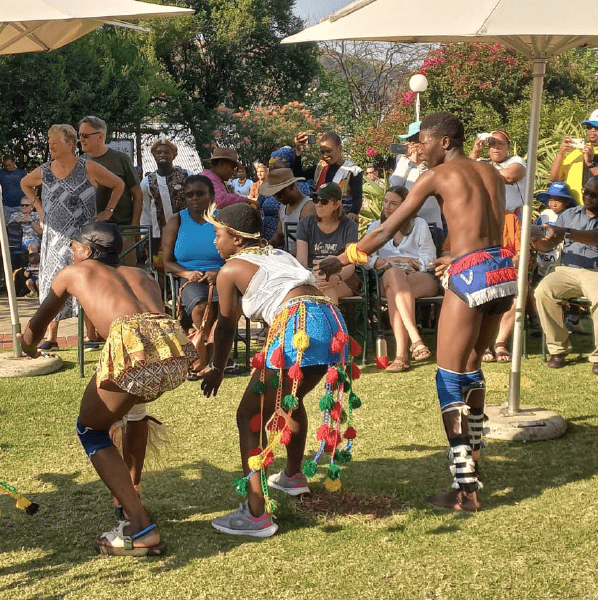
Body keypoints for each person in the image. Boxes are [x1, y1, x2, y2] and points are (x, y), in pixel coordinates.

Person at [319, 112, 518, 511]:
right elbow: (481, 226)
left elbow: (385, 229)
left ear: (444, 142)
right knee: (472, 369)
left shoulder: (436, 176)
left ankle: (466, 491)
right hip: (502, 270)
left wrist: (343, 257)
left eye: (422, 142)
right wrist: (455, 255)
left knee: (448, 377)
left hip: (470, 273)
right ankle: (474, 467)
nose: (417, 150)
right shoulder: (492, 172)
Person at [18, 222, 196, 555]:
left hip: (135, 351)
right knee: (135, 408)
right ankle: (129, 491)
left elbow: (37, 327)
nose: (71, 251)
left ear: (86, 249)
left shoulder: (75, 272)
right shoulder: (141, 274)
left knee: (91, 430)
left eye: (74, 246)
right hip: (170, 353)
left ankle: (139, 526)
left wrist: (26, 346)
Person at [200, 203, 358, 537]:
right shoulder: (279, 254)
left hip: (296, 324)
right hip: (329, 321)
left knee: (249, 416)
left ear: (238, 239)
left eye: (218, 234)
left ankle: (256, 513)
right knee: (291, 398)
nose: (215, 241)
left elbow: (226, 327)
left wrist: (217, 367)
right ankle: (293, 476)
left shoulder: (230, 269)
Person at [20, 124, 124, 351]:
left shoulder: (89, 167)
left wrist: (109, 211)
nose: (50, 147)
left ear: (70, 144)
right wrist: (38, 206)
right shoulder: (44, 170)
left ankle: (91, 336)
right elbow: (25, 183)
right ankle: (51, 337)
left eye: (55, 143)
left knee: (86, 283)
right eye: (49, 144)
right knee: (51, 285)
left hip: (83, 239)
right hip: (53, 240)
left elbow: (119, 184)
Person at [365, 185, 439, 372]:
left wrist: (405, 265)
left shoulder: (419, 225)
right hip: (387, 278)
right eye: (385, 202)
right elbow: (365, 259)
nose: (386, 207)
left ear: (405, 206)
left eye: (393, 203)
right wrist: (397, 260)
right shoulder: (375, 227)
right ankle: (415, 338)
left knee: (395, 290)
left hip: (420, 278)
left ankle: (401, 356)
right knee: (394, 274)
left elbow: (429, 259)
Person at [532, 176, 598, 373]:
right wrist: (537, 242)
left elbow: (595, 238)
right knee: (543, 292)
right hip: (567, 269)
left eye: (594, 195)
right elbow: (550, 244)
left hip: (595, 272)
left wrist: (567, 232)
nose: (588, 197)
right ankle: (558, 349)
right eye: (586, 192)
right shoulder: (569, 214)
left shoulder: (567, 224)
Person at [162, 175, 224, 379]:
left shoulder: (222, 219)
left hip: (223, 276)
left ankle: (211, 356)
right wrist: (187, 273)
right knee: (201, 307)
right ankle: (208, 354)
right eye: (189, 195)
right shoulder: (176, 221)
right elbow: (167, 262)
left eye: (200, 193)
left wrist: (219, 273)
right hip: (190, 279)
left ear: (211, 195)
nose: (195, 198)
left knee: (229, 306)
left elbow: (237, 254)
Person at [78, 116, 142, 268]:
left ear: (100, 136)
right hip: (91, 232)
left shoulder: (121, 159)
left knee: (126, 275)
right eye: (79, 135)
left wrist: (134, 227)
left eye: (85, 135)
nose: (81, 139)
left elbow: (137, 194)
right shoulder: (79, 163)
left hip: (122, 229)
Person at [296, 182, 359, 304]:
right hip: (313, 275)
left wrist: (337, 278)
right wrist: (311, 278)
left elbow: (350, 263)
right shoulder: (305, 224)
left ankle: (328, 322)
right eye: (315, 199)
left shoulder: (349, 226)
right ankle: (331, 322)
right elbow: (301, 262)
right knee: (321, 288)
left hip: (343, 276)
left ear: (337, 204)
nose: (318, 204)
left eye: (324, 201)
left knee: (325, 289)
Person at [388, 121, 444, 250]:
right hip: (409, 225)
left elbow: (432, 181)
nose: (411, 145)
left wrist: (419, 164)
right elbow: (395, 185)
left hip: (431, 224)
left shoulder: (436, 158)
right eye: (409, 141)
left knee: (430, 266)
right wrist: (405, 161)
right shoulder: (404, 159)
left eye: (415, 141)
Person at [140, 136, 192, 260]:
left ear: (174, 155)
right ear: (153, 156)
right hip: (158, 235)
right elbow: (145, 212)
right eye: (158, 152)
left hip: (185, 232)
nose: (162, 155)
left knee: (184, 265)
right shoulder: (147, 182)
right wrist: (145, 238)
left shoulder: (187, 176)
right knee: (160, 269)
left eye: (166, 152)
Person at [293, 131, 363, 221]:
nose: (325, 155)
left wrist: (353, 212)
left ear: (340, 148)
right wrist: (298, 152)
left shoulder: (352, 170)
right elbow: (299, 176)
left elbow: (357, 197)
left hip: (342, 220)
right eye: (322, 152)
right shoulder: (321, 167)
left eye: (329, 151)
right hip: (321, 219)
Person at [260, 167, 315, 255]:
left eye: (280, 195)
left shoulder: (308, 207)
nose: (277, 199)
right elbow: (279, 236)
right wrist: (266, 245)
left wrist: (287, 257)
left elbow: (312, 243)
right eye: (275, 196)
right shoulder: (283, 207)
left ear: (292, 187)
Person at [470, 130, 527, 213]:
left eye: (500, 143)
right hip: (488, 216)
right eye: (492, 143)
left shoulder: (516, 160)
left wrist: (480, 172)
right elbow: (465, 173)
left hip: (511, 216)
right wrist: (475, 152)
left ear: (508, 146)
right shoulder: (483, 163)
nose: (496, 147)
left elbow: (510, 176)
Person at [549, 109, 598, 205]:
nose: (592, 130)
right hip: (573, 210)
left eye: (596, 128)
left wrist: (589, 163)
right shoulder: (577, 152)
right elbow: (555, 178)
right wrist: (561, 153)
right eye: (589, 127)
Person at [535, 182, 577, 279]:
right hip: (543, 258)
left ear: (567, 202)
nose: (554, 204)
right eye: (551, 200)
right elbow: (537, 233)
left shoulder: (570, 216)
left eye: (558, 201)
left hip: (560, 260)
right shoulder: (545, 214)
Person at [0, 154, 27, 220]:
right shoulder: (1, 173)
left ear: (14, 162)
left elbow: (29, 187)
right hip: (6, 206)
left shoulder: (22, 173)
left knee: (21, 226)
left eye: (9, 165)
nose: (8, 167)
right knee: (7, 227)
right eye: (6, 166)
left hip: (20, 206)